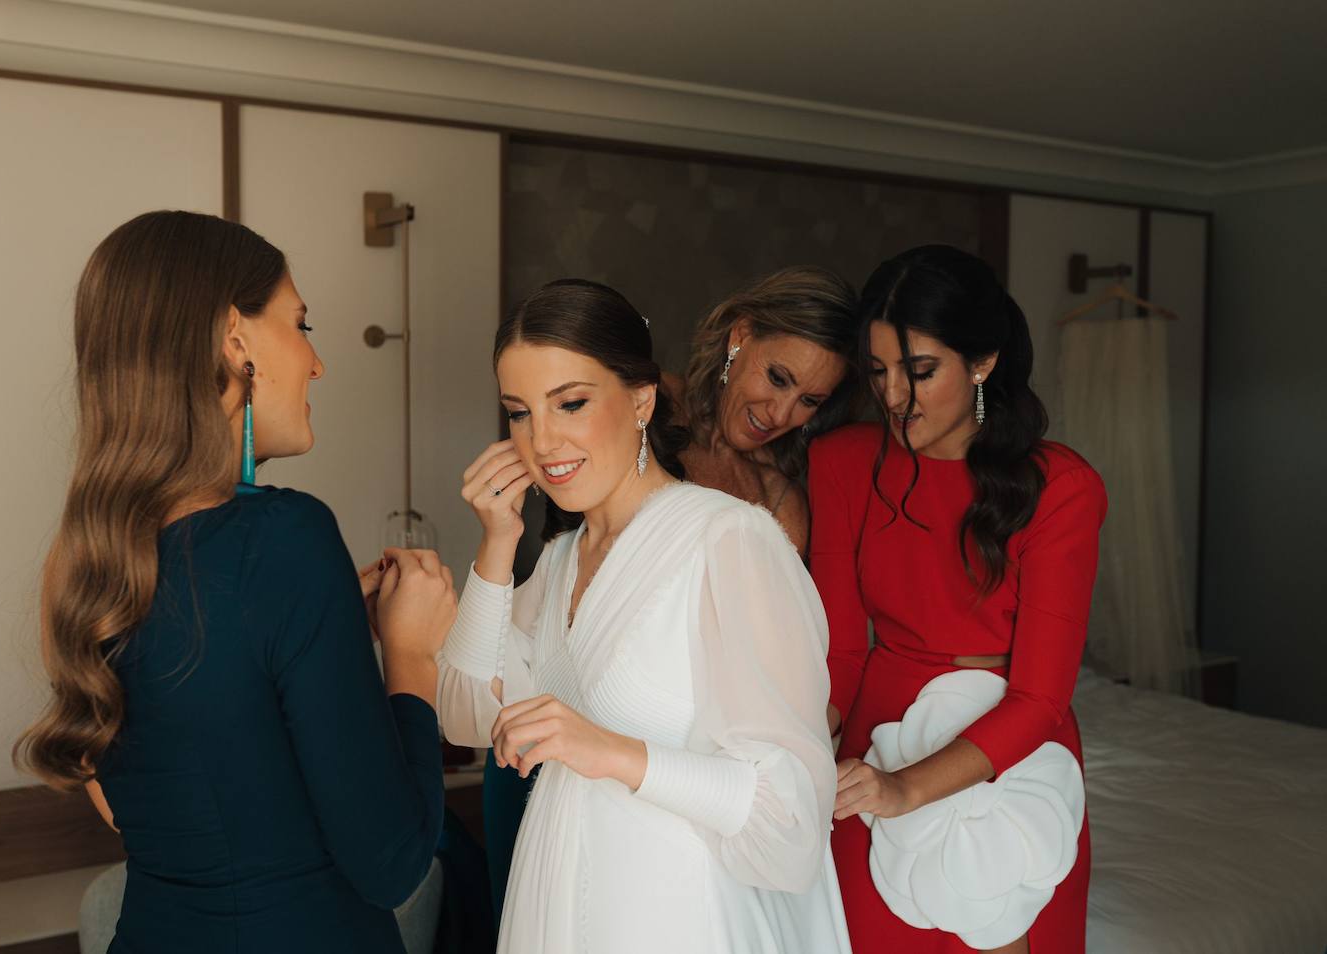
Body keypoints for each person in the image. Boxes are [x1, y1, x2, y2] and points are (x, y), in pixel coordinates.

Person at [14, 211, 453, 953]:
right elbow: (394, 864)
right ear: (235, 337)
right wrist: (411, 657)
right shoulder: (287, 538)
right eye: (301, 324)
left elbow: (156, 792)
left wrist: (324, 625)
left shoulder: (89, 555)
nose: (317, 363)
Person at [435, 279, 850, 953]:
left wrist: (611, 751)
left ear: (641, 401)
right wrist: (497, 543)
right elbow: (466, 715)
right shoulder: (563, 558)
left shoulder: (730, 542)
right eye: (519, 412)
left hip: (676, 911)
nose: (541, 441)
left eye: (570, 402)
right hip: (561, 901)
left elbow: (790, 815)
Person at [809, 245, 1106, 953]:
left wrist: (907, 790)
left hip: (1012, 754)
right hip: (877, 735)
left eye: (920, 372)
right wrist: (803, 747)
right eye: (878, 372)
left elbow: (1040, 699)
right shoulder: (843, 462)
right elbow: (844, 648)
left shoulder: (1061, 487)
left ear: (982, 361)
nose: (894, 397)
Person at [669, 266, 860, 555]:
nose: (780, 416)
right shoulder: (647, 403)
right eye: (778, 378)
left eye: (809, 401)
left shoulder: (782, 506)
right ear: (740, 336)